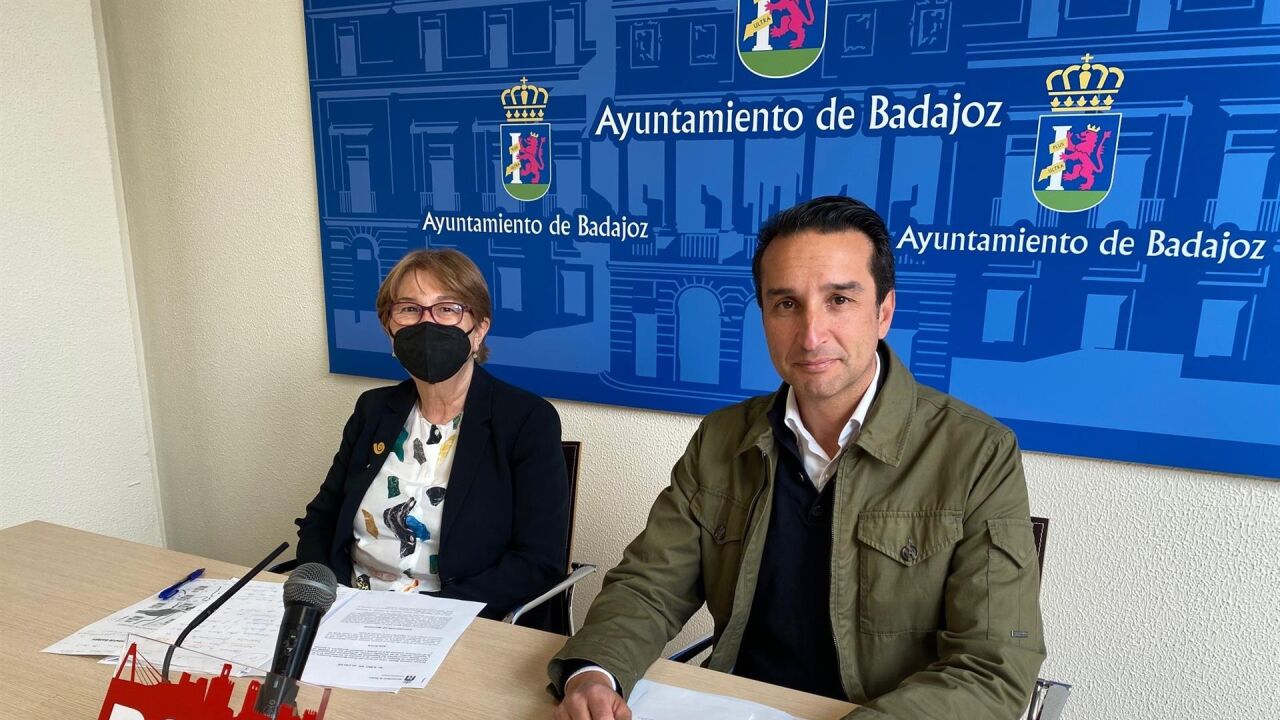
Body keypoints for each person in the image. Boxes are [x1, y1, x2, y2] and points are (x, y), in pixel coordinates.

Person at [549, 197, 1045, 718]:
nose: (811, 335)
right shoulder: (722, 437)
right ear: (764, 315)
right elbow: (649, 586)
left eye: (839, 300)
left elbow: (993, 667)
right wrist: (593, 672)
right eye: (786, 304)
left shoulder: (978, 453)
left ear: (883, 312)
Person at [295, 248, 569, 629]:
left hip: (457, 621)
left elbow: (538, 562)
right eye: (409, 309)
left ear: (479, 329)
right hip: (349, 611)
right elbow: (320, 521)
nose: (427, 323)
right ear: (389, 328)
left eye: (447, 309)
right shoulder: (373, 411)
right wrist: (324, 594)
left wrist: (427, 617)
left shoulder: (526, 421)